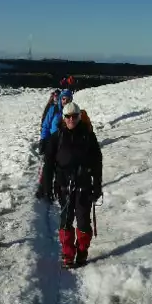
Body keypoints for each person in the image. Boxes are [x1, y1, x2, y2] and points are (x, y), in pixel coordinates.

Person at [42, 100, 103, 268]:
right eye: (67, 117)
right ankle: (68, 255)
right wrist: (47, 187)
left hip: (83, 186)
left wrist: (97, 185)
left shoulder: (88, 136)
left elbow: (97, 161)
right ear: (63, 118)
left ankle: (82, 251)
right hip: (63, 187)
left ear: (79, 117)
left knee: (83, 222)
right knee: (65, 221)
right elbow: (48, 165)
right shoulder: (57, 138)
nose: (71, 120)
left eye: (74, 116)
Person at [35, 89, 74, 199]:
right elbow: (46, 126)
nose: (65, 101)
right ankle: (44, 189)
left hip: (66, 142)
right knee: (48, 165)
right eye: (63, 98)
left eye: (68, 99)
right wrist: (43, 140)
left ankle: (61, 189)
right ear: (61, 99)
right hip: (52, 140)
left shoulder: (72, 112)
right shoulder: (54, 109)